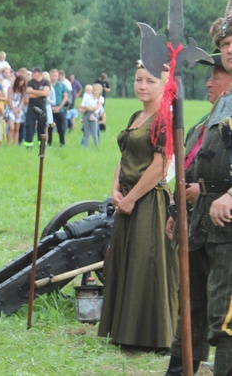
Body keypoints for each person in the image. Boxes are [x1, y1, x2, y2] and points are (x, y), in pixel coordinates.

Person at [98, 62, 178, 351]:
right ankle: (123, 330)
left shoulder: (163, 118)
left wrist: (132, 199)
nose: (142, 85)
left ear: (164, 85)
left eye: (150, 81)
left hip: (149, 201)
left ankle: (150, 336)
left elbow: (159, 166)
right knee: (127, 262)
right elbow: (125, 156)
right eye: (138, 79)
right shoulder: (137, 116)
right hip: (128, 199)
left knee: (147, 264)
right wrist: (115, 189)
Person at [163, 52, 232, 374]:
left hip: (226, 230)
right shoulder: (204, 124)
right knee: (191, 309)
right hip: (198, 225)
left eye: (215, 76)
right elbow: (187, 171)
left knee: (223, 312)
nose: (208, 82)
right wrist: (177, 211)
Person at [22, 67, 50, 148]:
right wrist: (41, 93)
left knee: (42, 127)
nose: (32, 74)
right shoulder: (30, 82)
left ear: (38, 73)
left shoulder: (46, 82)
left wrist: (34, 92)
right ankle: (28, 145)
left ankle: (41, 145)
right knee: (30, 126)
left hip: (42, 106)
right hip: (32, 107)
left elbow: (45, 93)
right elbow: (29, 93)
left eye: (33, 73)